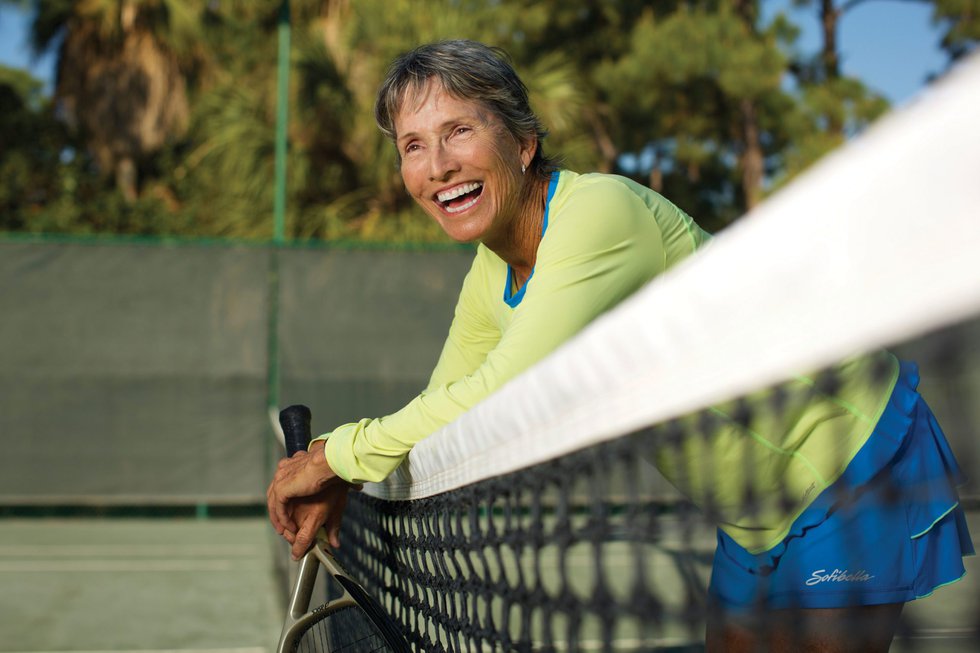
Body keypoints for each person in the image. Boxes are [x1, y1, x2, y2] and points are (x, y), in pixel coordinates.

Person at [266, 39, 973, 652]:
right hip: (754, 510)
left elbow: (504, 386)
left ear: (522, 141)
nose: (438, 164)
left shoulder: (601, 213)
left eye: (458, 131)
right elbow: (446, 408)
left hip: (849, 459)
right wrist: (347, 480)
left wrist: (333, 453)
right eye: (413, 146)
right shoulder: (491, 270)